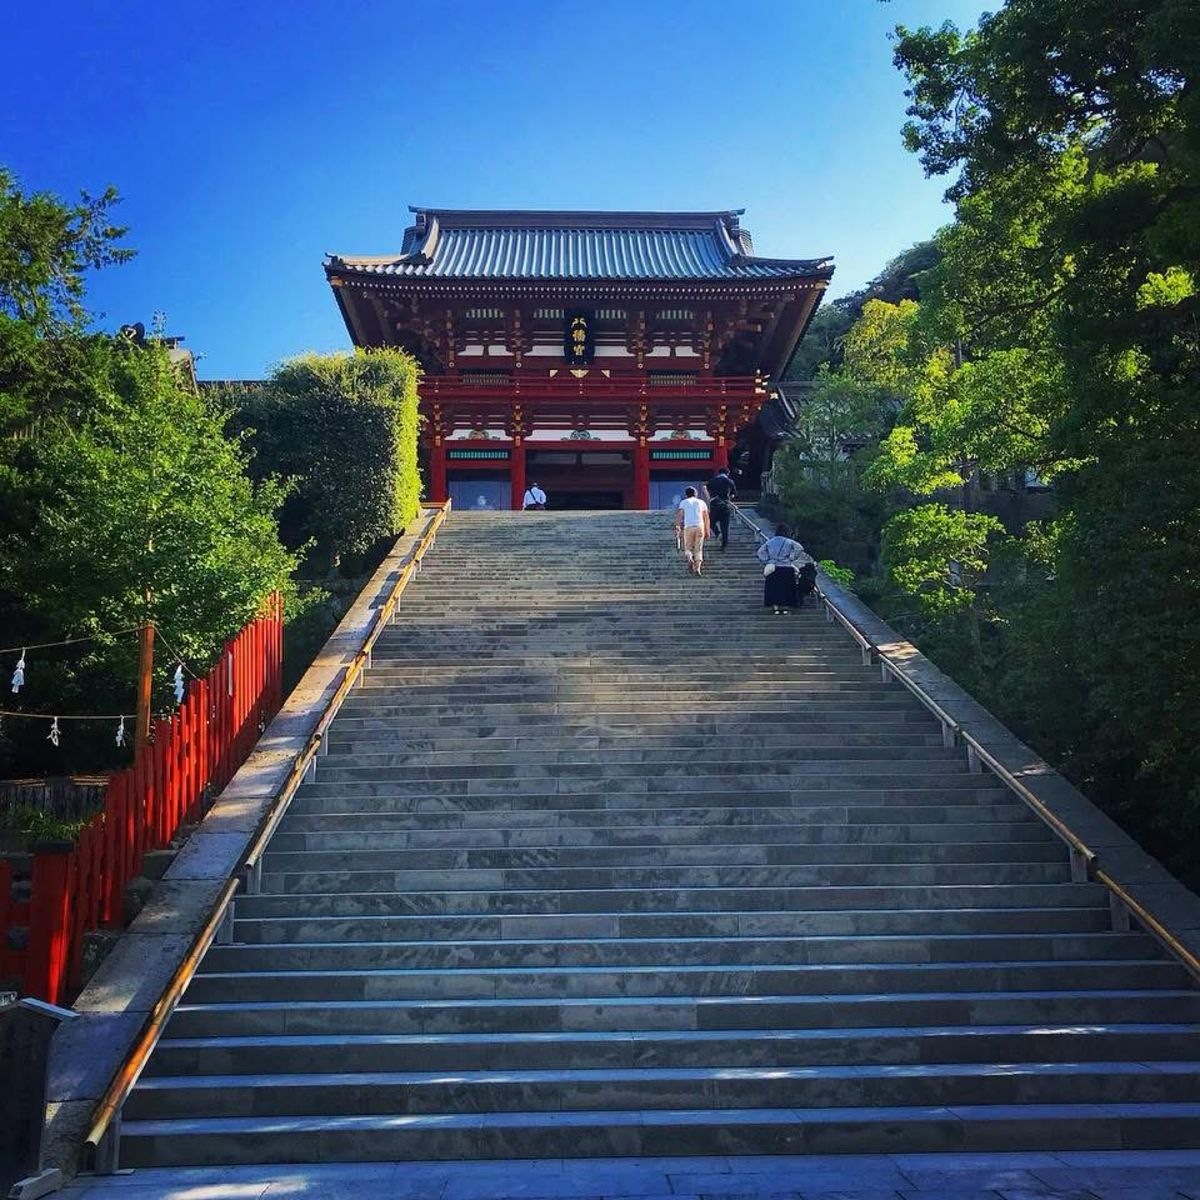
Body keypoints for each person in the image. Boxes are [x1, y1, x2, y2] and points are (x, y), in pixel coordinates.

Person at [756, 522, 813, 614]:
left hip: (773, 568)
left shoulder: (770, 541)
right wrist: (792, 557)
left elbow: (760, 552)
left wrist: (767, 560)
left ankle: (775, 608)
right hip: (786, 567)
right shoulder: (789, 541)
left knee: (774, 589)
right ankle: (786, 607)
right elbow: (800, 548)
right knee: (786, 589)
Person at [674, 486, 711, 575]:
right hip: (700, 526)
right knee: (698, 549)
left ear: (686, 494)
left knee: (688, 547)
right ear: (696, 494)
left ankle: (690, 558)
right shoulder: (701, 502)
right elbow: (706, 518)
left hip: (689, 527)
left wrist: (677, 526)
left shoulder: (684, 502)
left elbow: (679, 515)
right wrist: (707, 530)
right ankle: (697, 568)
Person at [703, 466, 737, 550]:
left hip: (715, 504)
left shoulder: (713, 480)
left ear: (719, 473)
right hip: (725, 505)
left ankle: (717, 533)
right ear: (727, 473)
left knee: (710, 522)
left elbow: (704, 488)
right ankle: (724, 546)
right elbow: (733, 494)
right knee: (725, 526)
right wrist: (728, 498)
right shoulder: (730, 481)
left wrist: (709, 499)